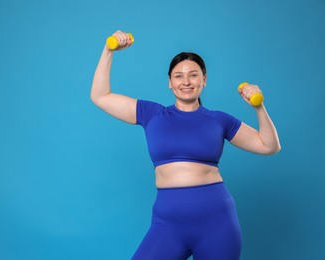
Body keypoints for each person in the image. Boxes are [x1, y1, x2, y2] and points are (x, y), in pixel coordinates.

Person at [90, 30, 281, 260]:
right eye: (178, 76)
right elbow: (100, 96)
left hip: (216, 222)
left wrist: (258, 108)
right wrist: (108, 50)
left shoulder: (219, 120)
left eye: (193, 75)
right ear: (170, 83)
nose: (186, 82)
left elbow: (269, 146)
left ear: (204, 79)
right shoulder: (151, 114)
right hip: (167, 224)